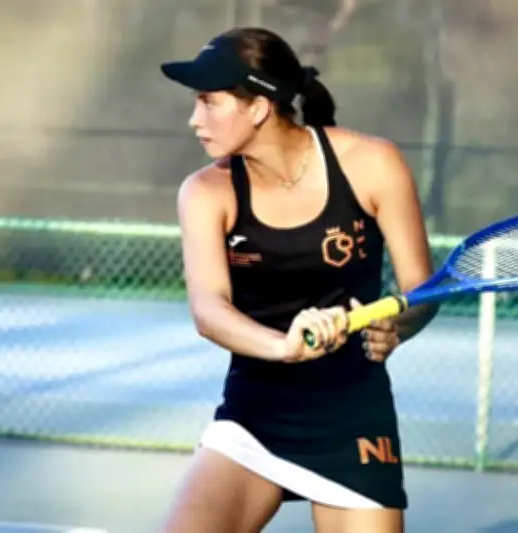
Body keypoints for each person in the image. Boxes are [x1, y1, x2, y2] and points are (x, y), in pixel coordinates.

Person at [159, 27, 439, 533]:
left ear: (258, 107)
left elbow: (421, 290)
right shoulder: (204, 192)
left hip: (354, 420)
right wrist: (283, 347)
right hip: (253, 419)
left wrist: (397, 325)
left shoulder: (373, 164)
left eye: (209, 101)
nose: (194, 119)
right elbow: (209, 309)